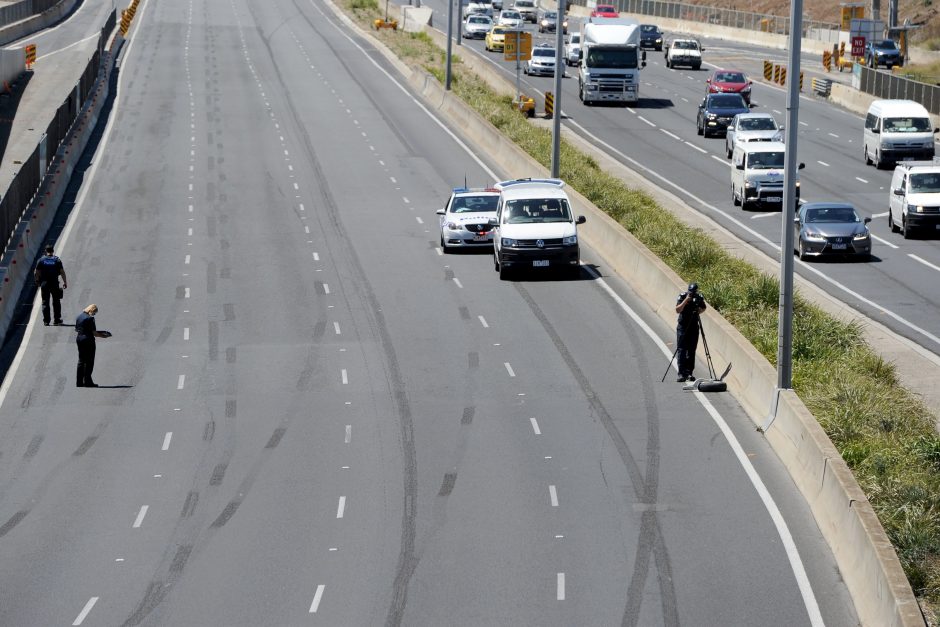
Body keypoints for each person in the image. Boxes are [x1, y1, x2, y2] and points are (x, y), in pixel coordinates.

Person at [675, 283, 707, 382]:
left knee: (691, 351)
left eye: (693, 292)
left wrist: (698, 310)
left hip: (693, 327)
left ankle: (689, 373)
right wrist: (686, 301)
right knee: (682, 350)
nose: (691, 294)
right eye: (690, 291)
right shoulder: (683, 296)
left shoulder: (699, 297)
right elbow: (677, 309)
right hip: (683, 327)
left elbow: (704, 308)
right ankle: (681, 373)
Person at [75, 304, 110, 388]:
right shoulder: (90, 318)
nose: (94, 315)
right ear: (92, 310)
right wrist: (104, 336)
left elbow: (77, 329)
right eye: (94, 313)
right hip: (88, 340)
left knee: (81, 360)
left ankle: (79, 382)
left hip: (79, 339)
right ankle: (88, 381)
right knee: (89, 361)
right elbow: (94, 333)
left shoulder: (79, 316)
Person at [34, 245, 67, 326]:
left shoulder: (41, 260)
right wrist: (65, 282)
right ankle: (56, 320)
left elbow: (36, 272)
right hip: (54, 283)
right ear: (53, 251)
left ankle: (46, 321)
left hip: (44, 284)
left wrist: (37, 281)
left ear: (45, 251)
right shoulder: (57, 260)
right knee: (56, 301)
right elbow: (62, 272)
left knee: (45, 302)